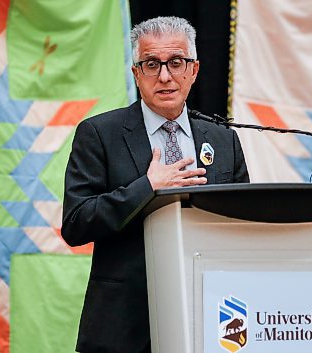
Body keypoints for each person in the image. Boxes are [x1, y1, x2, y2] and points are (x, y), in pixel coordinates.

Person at [62, 16, 249, 353]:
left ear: (193, 70)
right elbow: (76, 223)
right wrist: (146, 187)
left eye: (176, 63)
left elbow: (243, 225)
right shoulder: (99, 135)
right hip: (124, 327)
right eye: (151, 64)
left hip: (211, 319)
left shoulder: (223, 140)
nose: (165, 76)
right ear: (136, 73)